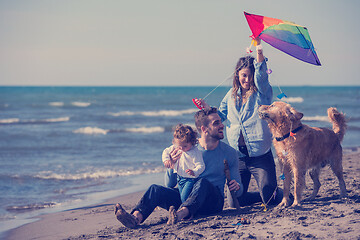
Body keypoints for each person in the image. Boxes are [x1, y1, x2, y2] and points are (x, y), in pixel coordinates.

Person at [115, 107, 243, 228]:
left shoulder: (229, 152)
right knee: (155, 189)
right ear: (204, 129)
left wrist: (236, 186)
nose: (222, 125)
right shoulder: (186, 146)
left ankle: (180, 215)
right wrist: (172, 164)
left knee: (202, 182)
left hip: (212, 202)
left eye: (221, 122)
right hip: (186, 195)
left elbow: (239, 190)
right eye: (216, 123)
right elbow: (169, 183)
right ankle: (135, 218)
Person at [200, 38, 281, 207]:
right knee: (235, 201)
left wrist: (259, 49)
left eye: (251, 76)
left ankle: (274, 193)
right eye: (244, 75)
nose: (247, 80)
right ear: (237, 74)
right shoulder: (231, 94)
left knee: (271, 198)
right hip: (238, 157)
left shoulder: (262, 94)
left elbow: (262, 76)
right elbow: (221, 115)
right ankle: (261, 196)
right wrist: (207, 108)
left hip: (260, 156)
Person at [162, 124, 205, 203]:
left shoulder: (195, 152)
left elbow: (201, 166)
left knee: (185, 198)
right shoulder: (176, 147)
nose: (181, 148)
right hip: (179, 178)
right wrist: (166, 160)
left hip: (190, 179)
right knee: (182, 197)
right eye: (179, 145)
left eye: (185, 146)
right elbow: (166, 151)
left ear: (192, 142)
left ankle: (188, 213)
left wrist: (194, 171)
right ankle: (185, 210)